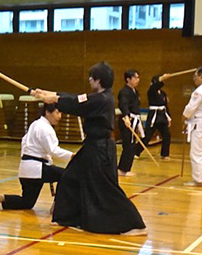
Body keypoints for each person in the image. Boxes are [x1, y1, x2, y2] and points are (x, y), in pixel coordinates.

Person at [32, 62, 147, 236]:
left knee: (106, 187)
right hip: (92, 146)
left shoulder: (102, 99)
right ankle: (71, 217)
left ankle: (136, 224)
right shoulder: (100, 96)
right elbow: (77, 98)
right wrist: (48, 94)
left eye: (92, 78)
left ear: (98, 80)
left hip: (100, 149)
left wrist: (54, 99)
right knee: (70, 177)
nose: (89, 81)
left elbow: (76, 104)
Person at [0, 103, 72, 210]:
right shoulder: (46, 129)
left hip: (26, 169)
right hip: (36, 169)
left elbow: (25, 143)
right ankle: (58, 207)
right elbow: (53, 150)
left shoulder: (35, 124)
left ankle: (1, 198)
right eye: (57, 112)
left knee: (27, 203)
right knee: (66, 175)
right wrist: (72, 155)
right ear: (47, 112)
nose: (59, 116)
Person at [182, 66, 202, 187]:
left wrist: (184, 117)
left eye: (196, 76)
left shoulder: (200, 91)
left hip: (199, 124)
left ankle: (198, 179)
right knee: (198, 152)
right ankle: (198, 178)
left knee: (196, 153)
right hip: (201, 123)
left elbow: (190, 108)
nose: (194, 78)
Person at [137, 74, 172, 161]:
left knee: (167, 135)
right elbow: (155, 87)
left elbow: (165, 106)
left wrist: (169, 118)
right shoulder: (151, 91)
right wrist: (161, 79)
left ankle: (164, 154)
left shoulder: (163, 93)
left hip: (162, 116)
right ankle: (136, 152)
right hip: (154, 116)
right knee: (147, 136)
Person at [117, 69, 145, 177]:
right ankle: (122, 169)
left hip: (134, 120)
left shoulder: (135, 91)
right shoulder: (124, 92)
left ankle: (126, 168)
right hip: (127, 120)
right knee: (128, 145)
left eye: (138, 77)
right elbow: (123, 105)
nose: (138, 80)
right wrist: (126, 116)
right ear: (128, 79)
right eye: (135, 78)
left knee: (132, 146)